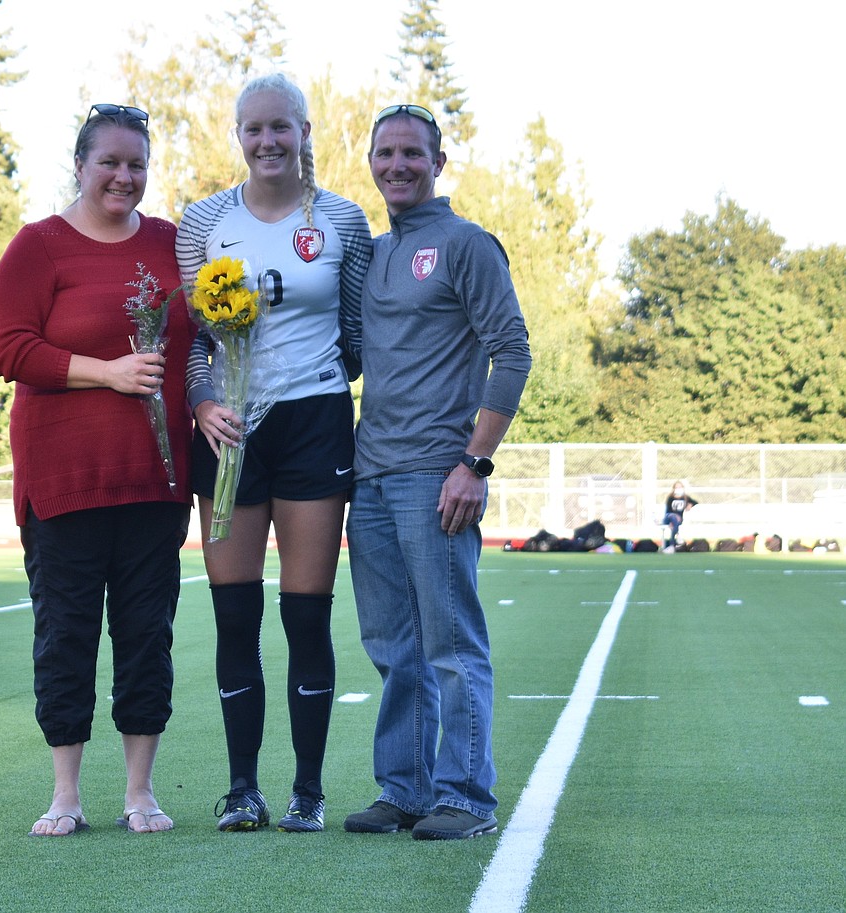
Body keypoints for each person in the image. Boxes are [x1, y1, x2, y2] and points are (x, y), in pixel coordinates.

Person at [0, 103, 196, 837]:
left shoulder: (174, 244)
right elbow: (7, 348)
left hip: (153, 483)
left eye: (136, 164)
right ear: (79, 164)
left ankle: (140, 791)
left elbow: (201, 344)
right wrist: (105, 372)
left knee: (147, 638)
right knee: (65, 636)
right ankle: (66, 793)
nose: (124, 176)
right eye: (109, 161)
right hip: (63, 486)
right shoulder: (38, 247)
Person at [175, 72, 373, 833]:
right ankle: (242, 789)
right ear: (238, 136)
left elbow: (356, 336)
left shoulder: (344, 221)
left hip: (314, 424)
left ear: (304, 131)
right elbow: (193, 338)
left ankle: (308, 791)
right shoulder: (204, 222)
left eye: (280, 127)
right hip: (228, 433)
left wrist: (306, 382)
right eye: (253, 129)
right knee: (234, 616)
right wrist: (204, 402)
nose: (267, 142)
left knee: (305, 617)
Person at [341, 104, 532, 841]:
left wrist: (474, 463)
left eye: (412, 153)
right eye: (385, 153)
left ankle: (467, 797)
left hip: (437, 475)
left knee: (450, 642)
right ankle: (405, 789)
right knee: (393, 646)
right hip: (373, 476)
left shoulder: (466, 243)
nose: (397, 165)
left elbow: (510, 352)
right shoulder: (380, 252)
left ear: (438, 162)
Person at [661, 480, 698, 552]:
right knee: (674, 518)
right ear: (674, 489)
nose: (678, 489)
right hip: (669, 517)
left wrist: (690, 505)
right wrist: (672, 519)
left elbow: (695, 502)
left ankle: (672, 545)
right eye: (676, 487)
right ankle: (676, 538)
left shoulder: (685, 497)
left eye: (680, 487)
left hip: (678, 520)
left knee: (676, 522)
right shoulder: (670, 497)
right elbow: (668, 511)